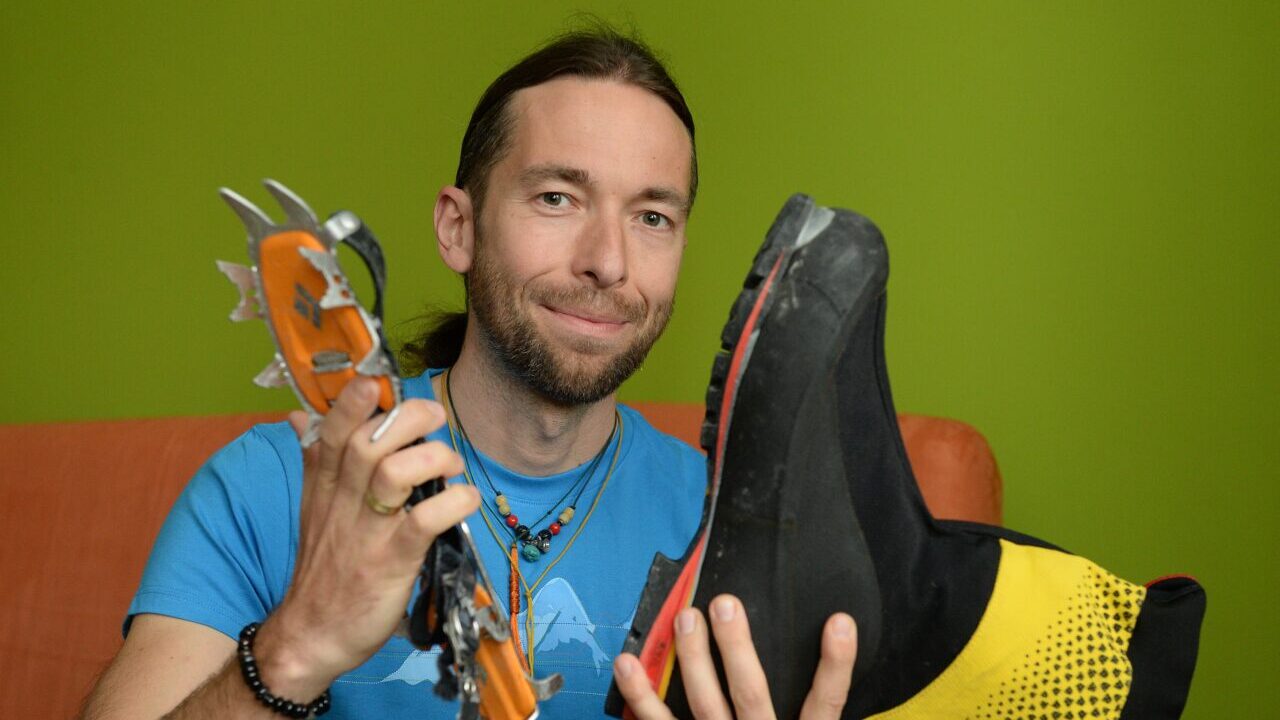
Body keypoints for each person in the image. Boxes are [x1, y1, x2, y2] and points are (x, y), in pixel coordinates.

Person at [79, 27, 857, 719]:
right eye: (557, 198)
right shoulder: (272, 486)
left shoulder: (730, 526)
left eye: (652, 217)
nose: (608, 262)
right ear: (458, 228)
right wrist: (296, 646)